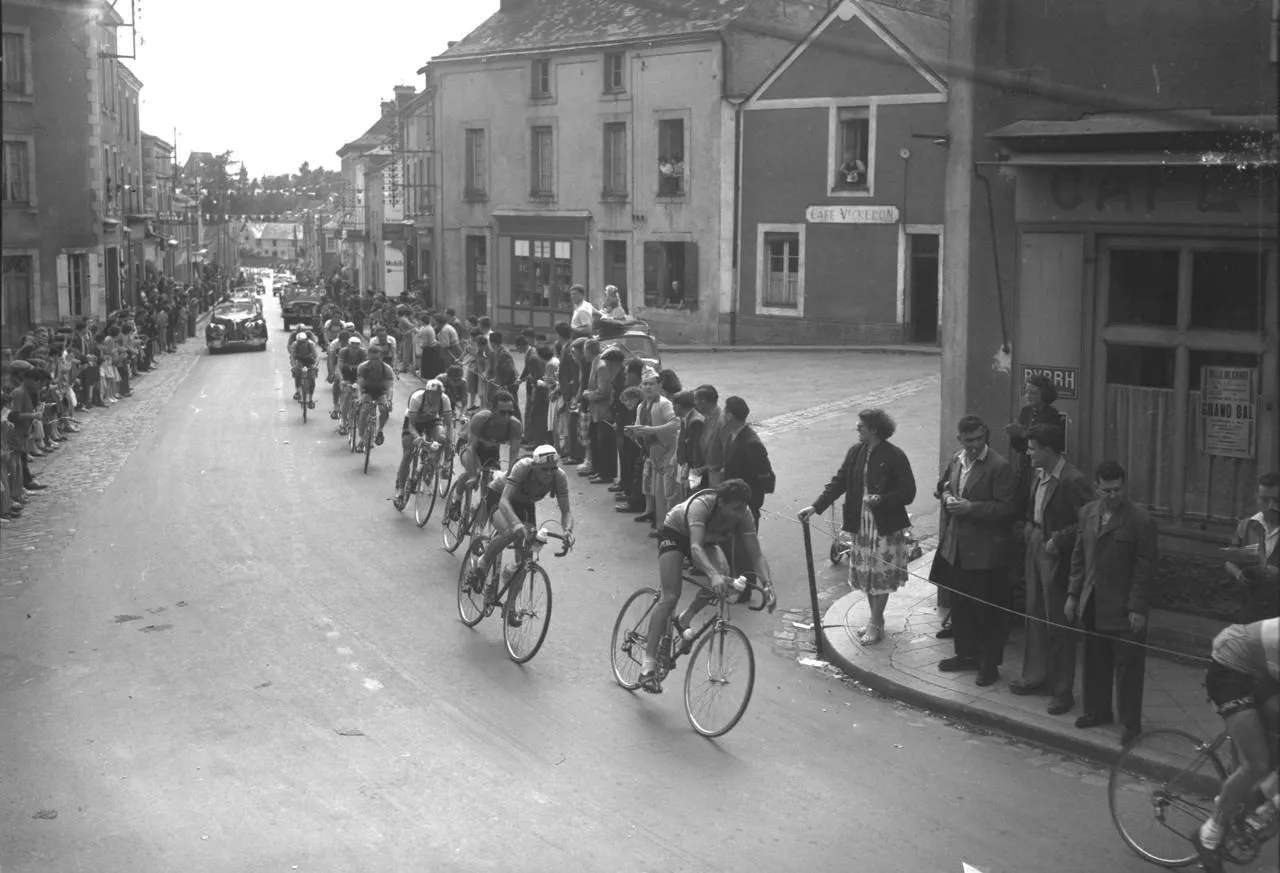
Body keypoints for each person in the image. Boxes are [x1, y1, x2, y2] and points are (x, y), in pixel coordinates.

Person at [640, 480, 777, 693]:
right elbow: (695, 548)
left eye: (742, 508)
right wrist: (712, 575)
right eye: (735, 508)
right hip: (677, 534)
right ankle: (647, 666)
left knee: (723, 580)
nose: (739, 514)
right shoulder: (701, 505)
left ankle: (684, 618)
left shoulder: (744, 514)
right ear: (720, 502)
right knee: (670, 596)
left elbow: (756, 554)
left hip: (707, 542)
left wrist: (768, 585)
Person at [799, 408, 917, 646]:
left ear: (874, 429)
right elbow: (840, 481)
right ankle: (876, 620)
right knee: (867, 574)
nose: (857, 428)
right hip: (860, 522)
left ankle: (875, 622)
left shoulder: (894, 455)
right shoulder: (856, 452)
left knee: (880, 575)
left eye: (861, 425)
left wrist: (882, 499)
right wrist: (816, 506)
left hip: (884, 525)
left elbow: (908, 492)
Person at [1065, 461, 1158, 745]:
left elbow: (1145, 569)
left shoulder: (1141, 520)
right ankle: (1097, 711)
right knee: (1095, 660)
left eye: (1118, 489)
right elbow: (1079, 557)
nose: (1113, 495)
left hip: (1124, 607)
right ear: (1097, 488)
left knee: (1128, 667)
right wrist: (1073, 595)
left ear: (1124, 487)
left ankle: (1130, 723)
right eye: (1107, 490)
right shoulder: (1087, 513)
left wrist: (1137, 608)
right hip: (1093, 601)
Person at [1009, 423, 1093, 714]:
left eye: (1033, 449)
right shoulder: (1039, 472)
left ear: (1048, 449)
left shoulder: (1073, 480)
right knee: (1034, 613)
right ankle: (1037, 676)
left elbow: (1088, 520)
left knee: (1058, 622)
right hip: (1035, 543)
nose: (1028, 453)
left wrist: (1060, 539)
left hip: (1055, 553)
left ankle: (1062, 690)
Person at [930, 415, 1018, 685]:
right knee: (961, 606)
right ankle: (966, 654)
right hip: (957, 549)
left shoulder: (999, 466)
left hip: (985, 554)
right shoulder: (957, 460)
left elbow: (1008, 508)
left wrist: (971, 508)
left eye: (980, 439)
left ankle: (989, 665)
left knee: (988, 612)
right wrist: (947, 497)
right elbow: (945, 487)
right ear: (960, 439)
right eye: (969, 440)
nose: (975, 445)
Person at [1194, 617, 1280, 869]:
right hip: (1230, 669)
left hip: (1263, 668)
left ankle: (1247, 796)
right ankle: (1208, 836)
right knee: (1256, 764)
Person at [465, 444, 575, 627]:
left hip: (525, 504)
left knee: (526, 558)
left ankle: (510, 605)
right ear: (535, 466)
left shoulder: (559, 477)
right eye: (544, 469)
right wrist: (516, 525)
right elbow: (504, 501)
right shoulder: (523, 467)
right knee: (509, 532)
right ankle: (481, 564)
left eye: (553, 468)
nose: (549, 473)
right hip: (499, 496)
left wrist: (568, 531)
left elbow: (566, 511)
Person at [451, 391, 523, 520]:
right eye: (502, 412)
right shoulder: (481, 418)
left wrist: (509, 478)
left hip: (490, 450)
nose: (507, 416)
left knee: (492, 485)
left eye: (510, 412)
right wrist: (473, 475)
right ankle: (456, 499)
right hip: (468, 444)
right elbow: (471, 447)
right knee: (472, 471)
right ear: (492, 409)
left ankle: (480, 517)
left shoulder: (515, 425)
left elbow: (513, 456)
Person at [1226, 473, 1280, 622]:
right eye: (1265, 499)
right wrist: (1238, 574)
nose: (1271, 506)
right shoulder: (1246, 526)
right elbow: (1230, 561)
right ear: (1257, 497)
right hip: (1251, 608)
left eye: (1277, 500)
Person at [395, 379, 453, 505]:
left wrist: (450, 443)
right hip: (414, 423)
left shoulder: (444, 400)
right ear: (427, 392)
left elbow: (449, 424)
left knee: (442, 437)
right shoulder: (417, 398)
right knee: (408, 452)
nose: (436, 397)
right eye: (433, 394)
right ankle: (400, 489)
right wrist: (417, 437)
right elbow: (411, 425)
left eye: (438, 395)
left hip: (432, 421)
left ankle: (430, 464)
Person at [354, 345, 397, 450]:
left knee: (384, 409)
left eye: (377, 358)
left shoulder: (387, 369)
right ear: (368, 357)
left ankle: (380, 430)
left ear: (381, 358)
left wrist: (389, 401)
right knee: (364, 410)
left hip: (381, 391)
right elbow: (360, 386)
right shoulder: (362, 368)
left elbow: (390, 388)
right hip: (367, 390)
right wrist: (360, 398)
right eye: (372, 359)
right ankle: (362, 439)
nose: (374, 361)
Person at [288, 330, 322, 407]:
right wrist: (293, 366)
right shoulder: (294, 344)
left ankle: (310, 399)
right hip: (299, 359)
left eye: (303, 342)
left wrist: (315, 366)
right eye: (299, 342)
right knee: (297, 372)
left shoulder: (311, 344)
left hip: (309, 359)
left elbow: (316, 357)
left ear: (306, 340)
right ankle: (298, 390)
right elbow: (292, 357)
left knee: (312, 379)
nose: (301, 344)